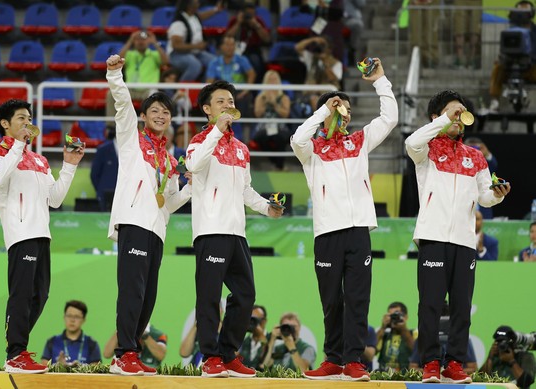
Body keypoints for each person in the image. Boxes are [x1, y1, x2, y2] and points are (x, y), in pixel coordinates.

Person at [291, 58, 398, 381]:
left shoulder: (358, 142)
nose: (342, 111)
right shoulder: (312, 150)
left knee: (357, 299)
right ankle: (333, 359)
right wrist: (324, 109)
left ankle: (354, 361)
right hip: (326, 233)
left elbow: (389, 119)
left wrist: (380, 81)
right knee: (331, 301)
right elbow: (297, 139)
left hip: (358, 232)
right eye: (337, 106)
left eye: (346, 107)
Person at [405, 90, 511, 384]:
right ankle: (429, 363)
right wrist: (442, 121)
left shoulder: (475, 157)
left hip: (465, 242)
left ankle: (453, 362)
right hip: (433, 237)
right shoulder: (426, 151)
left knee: (462, 306)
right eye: (452, 111)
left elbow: (485, 197)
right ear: (436, 117)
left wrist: (497, 195)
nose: (457, 116)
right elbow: (410, 141)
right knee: (430, 303)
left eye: (461, 112)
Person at [184, 79, 284, 378]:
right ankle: (210, 357)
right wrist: (217, 131)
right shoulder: (198, 142)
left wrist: (267, 207)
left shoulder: (241, 149)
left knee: (245, 295)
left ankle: (228, 355)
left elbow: (246, 190)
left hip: (237, 233)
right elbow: (194, 164)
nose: (228, 105)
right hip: (210, 231)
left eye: (230, 100)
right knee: (209, 296)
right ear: (207, 109)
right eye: (220, 102)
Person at [105, 54, 192, 376]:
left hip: (157, 229)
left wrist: (190, 188)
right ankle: (122, 353)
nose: (161, 115)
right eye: (154, 110)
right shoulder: (131, 141)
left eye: (166, 112)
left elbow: (167, 204)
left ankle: (132, 352)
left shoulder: (169, 159)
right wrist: (116, 75)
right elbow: (122, 106)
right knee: (132, 290)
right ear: (143, 117)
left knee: (147, 295)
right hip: (133, 223)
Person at [0, 99, 85, 373]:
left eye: (29, 118)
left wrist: (69, 165)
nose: (27, 123)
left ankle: (17, 348)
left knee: (40, 295)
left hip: (43, 235)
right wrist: (18, 144)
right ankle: (15, 353)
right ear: (5, 124)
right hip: (20, 234)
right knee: (21, 293)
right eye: (21, 118)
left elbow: (54, 199)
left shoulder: (39, 160)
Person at [106, 30, 168, 118]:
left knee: (154, 96)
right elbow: (118, 59)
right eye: (137, 39)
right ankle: (111, 127)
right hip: (130, 89)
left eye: (143, 39)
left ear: (148, 41)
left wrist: (154, 43)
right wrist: (130, 40)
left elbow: (166, 61)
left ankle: (151, 127)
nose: (140, 42)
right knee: (111, 93)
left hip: (148, 89)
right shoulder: (130, 54)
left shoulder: (154, 55)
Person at [489, 1, 536, 112]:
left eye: (525, 12)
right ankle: (494, 101)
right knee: (497, 68)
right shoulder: (510, 31)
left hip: (531, 68)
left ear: (531, 14)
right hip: (510, 67)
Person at [409, 301, 477, 374]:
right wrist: (434, 372)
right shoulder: (422, 339)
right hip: (430, 378)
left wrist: (450, 372)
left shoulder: (462, 339)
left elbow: (473, 368)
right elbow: (413, 367)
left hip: (454, 379)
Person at [167, 0, 221, 81]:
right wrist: (197, 46)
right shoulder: (178, 23)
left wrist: (216, 10)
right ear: (189, 6)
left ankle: (205, 88)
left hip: (194, 52)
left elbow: (203, 16)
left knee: (215, 62)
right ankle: (181, 90)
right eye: (196, 3)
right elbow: (176, 46)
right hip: (177, 55)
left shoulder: (194, 16)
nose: (199, 4)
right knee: (195, 65)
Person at [251, 70, 292, 170]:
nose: (272, 82)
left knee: (281, 138)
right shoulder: (260, 97)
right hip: (264, 126)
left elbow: (285, 114)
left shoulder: (284, 97)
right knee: (261, 137)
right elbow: (257, 113)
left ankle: (279, 166)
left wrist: (274, 104)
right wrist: (266, 103)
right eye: (270, 80)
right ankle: (276, 164)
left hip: (280, 126)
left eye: (274, 80)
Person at [41, 300, 101, 366]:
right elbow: (44, 366)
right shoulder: (52, 341)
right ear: (64, 317)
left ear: (84, 320)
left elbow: (96, 369)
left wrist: (80, 368)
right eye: (69, 316)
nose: (72, 320)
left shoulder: (91, 344)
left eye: (77, 317)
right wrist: (58, 367)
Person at [225, 2, 271, 83]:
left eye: (252, 14)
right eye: (248, 14)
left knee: (255, 62)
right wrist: (238, 23)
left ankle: (253, 87)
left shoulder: (258, 21)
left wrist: (256, 25)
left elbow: (267, 39)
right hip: (235, 49)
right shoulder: (235, 20)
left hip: (253, 49)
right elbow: (228, 36)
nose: (249, 16)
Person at [294, 35, 342, 112]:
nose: (321, 48)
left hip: (328, 94)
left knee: (319, 100)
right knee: (313, 99)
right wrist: (313, 40)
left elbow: (333, 78)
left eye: (323, 46)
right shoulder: (311, 58)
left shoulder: (336, 63)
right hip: (310, 93)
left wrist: (325, 63)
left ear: (329, 49)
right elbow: (297, 48)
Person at [104, 324, 168, 368]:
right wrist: (121, 328)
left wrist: (145, 335)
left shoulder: (158, 335)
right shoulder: (124, 332)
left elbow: (161, 355)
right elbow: (107, 354)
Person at [376, 302, 417, 372]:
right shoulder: (384, 334)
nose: (394, 318)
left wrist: (404, 330)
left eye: (397, 315)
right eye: (391, 316)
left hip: (405, 377)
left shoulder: (414, 333)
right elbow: (372, 352)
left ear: (406, 317)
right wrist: (383, 327)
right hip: (384, 375)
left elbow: (416, 352)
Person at [464, 137, 498, 219]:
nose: (473, 150)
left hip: (483, 207)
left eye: (476, 148)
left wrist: (486, 155)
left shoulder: (483, 162)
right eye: (470, 147)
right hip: (464, 202)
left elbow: (493, 168)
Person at [90, 126, 118, 211]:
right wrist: (101, 191)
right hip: (105, 196)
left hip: (126, 196)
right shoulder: (103, 150)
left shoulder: (134, 150)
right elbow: (94, 174)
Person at [239, 305, 270, 370]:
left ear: (264, 321)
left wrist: (261, 337)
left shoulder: (271, 338)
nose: (252, 322)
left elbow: (265, 361)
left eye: (255, 319)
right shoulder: (244, 341)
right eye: (250, 319)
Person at [453, 0, 482, 69]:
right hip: (460, 2)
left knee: (474, 28)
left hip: (476, 2)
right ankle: (460, 60)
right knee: (459, 27)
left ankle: (472, 59)